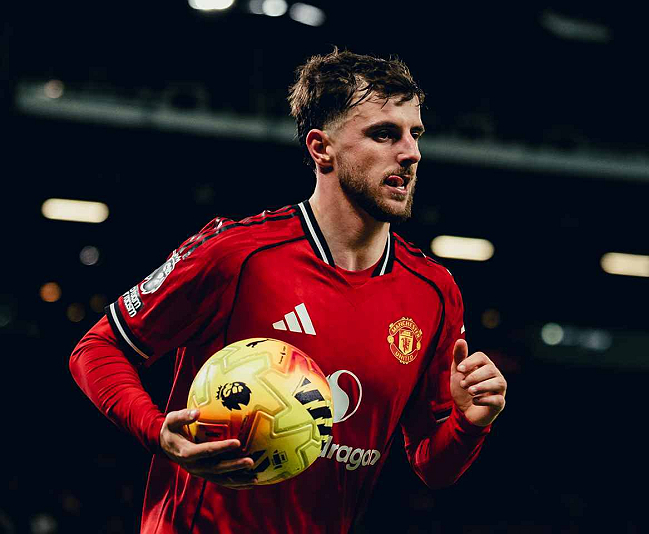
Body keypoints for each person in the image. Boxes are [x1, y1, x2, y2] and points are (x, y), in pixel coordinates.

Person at [70, 48, 507, 533]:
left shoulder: (433, 292)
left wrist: (471, 422)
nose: (410, 153)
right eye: (384, 134)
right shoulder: (238, 254)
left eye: (415, 134)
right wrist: (158, 432)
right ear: (322, 148)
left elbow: (432, 464)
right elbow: (98, 348)